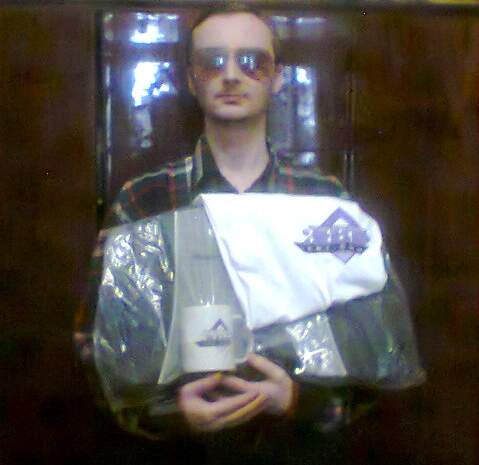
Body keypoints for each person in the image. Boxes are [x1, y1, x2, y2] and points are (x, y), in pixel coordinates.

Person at [75, 4, 423, 464]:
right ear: (191, 78)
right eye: (212, 61)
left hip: (300, 452)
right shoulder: (145, 201)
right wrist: (171, 414)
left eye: (253, 61)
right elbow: (97, 343)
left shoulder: (325, 202)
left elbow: (373, 342)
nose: (231, 75)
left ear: (277, 78)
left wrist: (299, 401)